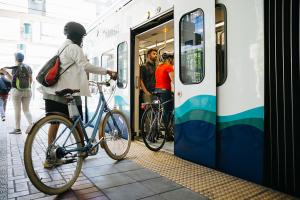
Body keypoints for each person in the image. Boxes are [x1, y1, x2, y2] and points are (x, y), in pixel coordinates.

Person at [39, 21, 117, 168]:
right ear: (78, 36)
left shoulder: (62, 47)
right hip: (67, 93)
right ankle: (83, 151)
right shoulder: (74, 47)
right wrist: (108, 71)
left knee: (54, 123)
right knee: (77, 124)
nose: (82, 40)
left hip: (51, 91)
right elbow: (85, 66)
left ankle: (49, 158)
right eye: (82, 37)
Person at [1, 53, 33, 134]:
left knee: (17, 110)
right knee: (26, 109)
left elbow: (11, 80)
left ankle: (18, 129)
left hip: (17, 91)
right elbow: (31, 79)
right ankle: (32, 124)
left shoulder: (14, 68)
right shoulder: (28, 67)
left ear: (15, 58)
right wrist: (27, 87)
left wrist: (6, 73)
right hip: (28, 90)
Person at [155, 52, 174, 141]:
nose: (173, 61)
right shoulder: (168, 67)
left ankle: (159, 130)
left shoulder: (158, 67)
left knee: (162, 111)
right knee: (168, 112)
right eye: (173, 59)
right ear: (169, 59)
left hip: (157, 91)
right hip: (165, 91)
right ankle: (168, 134)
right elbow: (174, 81)